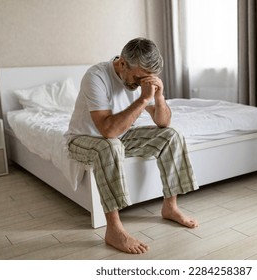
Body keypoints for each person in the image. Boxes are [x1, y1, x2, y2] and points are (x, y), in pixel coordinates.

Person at [65, 37, 199, 254]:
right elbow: (107, 131)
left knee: (171, 135)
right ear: (122, 63)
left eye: (145, 79)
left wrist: (160, 97)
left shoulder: (139, 78)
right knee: (110, 146)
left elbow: (163, 122)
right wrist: (143, 100)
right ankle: (114, 229)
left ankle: (170, 207)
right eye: (137, 78)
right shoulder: (96, 77)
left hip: (119, 136)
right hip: (83, 139)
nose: (139, 83)